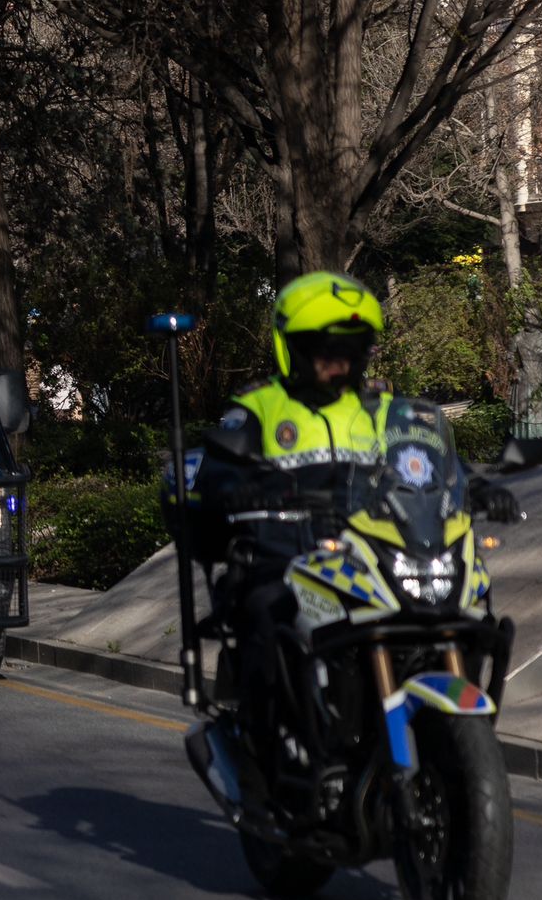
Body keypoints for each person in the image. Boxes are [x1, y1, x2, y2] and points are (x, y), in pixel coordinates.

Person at [192, 272, 520, 757]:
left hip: (372, 555)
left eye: (350, 347)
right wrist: (236, 491)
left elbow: (430, 464)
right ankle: (266, 758)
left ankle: (445, 743)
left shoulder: (387, 412)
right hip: (287, 557)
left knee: (468, 606)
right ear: (294, 347)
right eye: (325, 348)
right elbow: (217, 477)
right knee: (266, 614)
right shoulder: (260, 407)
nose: (337, 360)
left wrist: (478, 486)